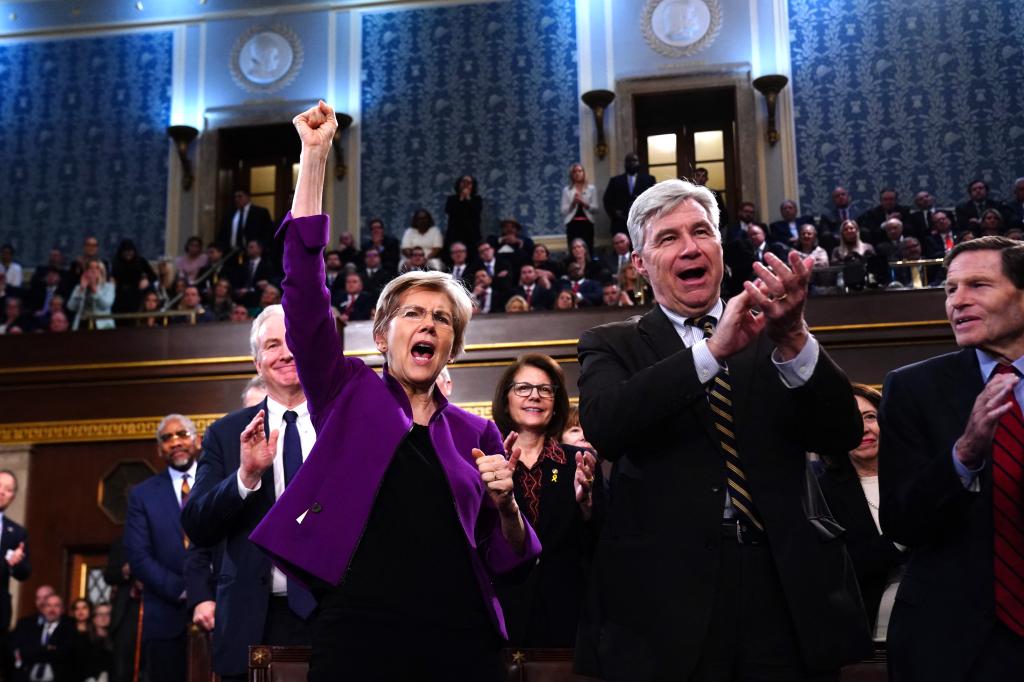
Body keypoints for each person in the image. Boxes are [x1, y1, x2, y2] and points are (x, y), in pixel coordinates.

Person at [246, 101, 541, 680]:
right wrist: (314, 157)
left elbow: (509, 555)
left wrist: (507, 504)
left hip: (460, 636)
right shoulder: (348, 391)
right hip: (359, 630)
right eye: (412, 313)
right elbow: (303, 292)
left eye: (441, 318)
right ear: (383, 335)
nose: (428, 324)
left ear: (453, 346)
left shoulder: (476, 433)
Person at [574, 178, 870, 681]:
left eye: (701, 231)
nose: (690, 247)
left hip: (783, 587)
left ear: (719, 246)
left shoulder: (774, 332)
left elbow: (842, 432)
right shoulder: (611, 343)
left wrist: (796, 338)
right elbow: (606, 425)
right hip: (666, 600)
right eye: (668, 238)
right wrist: (710, 353)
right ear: (640, 264)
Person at [879, 235, 1024, 680]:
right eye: (949, 290)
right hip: (950, 644)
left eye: (978, 285)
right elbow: (902, 523)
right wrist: (965, 453)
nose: (957, 302)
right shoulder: (911, 389)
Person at [490, 354, 599, 647]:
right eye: (523, 388)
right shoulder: (485, 458)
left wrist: (587, 505)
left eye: (545, 389)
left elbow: (603, 543)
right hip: (498, 611)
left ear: (556, 402)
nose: (534, 397)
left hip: (568, 612)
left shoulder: (579, 461)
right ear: (506, 399)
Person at [819, 384, 907, 640]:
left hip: (932, 622)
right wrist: (902, 539)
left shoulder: (918, 476)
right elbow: (839, 567)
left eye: (870, 417)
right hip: (863, 631)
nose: (864, 428)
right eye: (850, 420)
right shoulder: (821, 492)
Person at [124, 414, 199, 682]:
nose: (175, 442)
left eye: (182, 434)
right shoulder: (142, 494)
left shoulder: (219, 481)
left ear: (197, 440)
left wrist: (208, 590)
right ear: (159, 449)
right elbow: (138, 556)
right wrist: (183, 591)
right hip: (167, 617)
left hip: (221, 609)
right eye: (167, 438)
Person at [0, 469, 30, 679]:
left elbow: (24, 572)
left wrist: (15, 564)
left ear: (13, 496)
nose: (2, 492)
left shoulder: (16, 532)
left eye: (8, 489)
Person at [9, 592, 74, 682]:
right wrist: (47, 649)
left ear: (62, 610)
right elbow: (25, 652)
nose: (52, 609)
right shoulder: (31, 628)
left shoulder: (69, 629)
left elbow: (65, 654)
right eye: (48, 605)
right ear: (43, 609)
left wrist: (38, 650)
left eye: (56, 606)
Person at [603, 152, 656, 237]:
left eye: (634, 160)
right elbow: (607, 200)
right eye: (628, 161)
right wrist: (614, 213)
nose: (631, 163)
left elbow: (654, 200)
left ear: (638, 162)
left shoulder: (649, 179)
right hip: (620, 224)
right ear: (625, 163)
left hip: (642, 223)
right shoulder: (615, 181)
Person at [560, 162, 598, 254]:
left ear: (583, 173)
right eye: (575, 172)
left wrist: (583, 203)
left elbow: (596, 209)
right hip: (572, 224)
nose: (577, 174)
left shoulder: (591, 189)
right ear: (571, 175)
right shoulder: (567, 190)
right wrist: (573, 203)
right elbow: (563, 211)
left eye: (580, 171)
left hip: (587, 224)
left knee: (588, 248)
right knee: (574, 248)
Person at [110, 239, 156, 315]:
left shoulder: (140, 261)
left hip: (137, 295)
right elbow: (112, 277)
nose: (128, 254)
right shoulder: (116, 262)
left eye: (130, 251)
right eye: (126, 251)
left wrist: (146, 280)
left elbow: (153, 276)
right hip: (120, 297)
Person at [68, 259, 116, 330]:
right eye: (90, 268)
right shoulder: (78, 287)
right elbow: (71, 307)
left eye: (97, 268)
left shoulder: (108, 286)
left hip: (102, 326)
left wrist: (94, 289)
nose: (93, 271)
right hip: (81, 324)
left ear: (102, 272)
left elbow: (105, 305)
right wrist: (81, 290)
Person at [444, 174, 483, 251]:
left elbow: (476, 211)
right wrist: (461, 198)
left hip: (472, 234)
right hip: (454, 233)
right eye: (463, 182)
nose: (465, 184)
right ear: (459, 184)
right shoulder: (452, 199)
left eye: (469, 182)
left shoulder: (477, 199)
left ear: (473, 186)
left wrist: (468, 198)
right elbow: (449, 211)